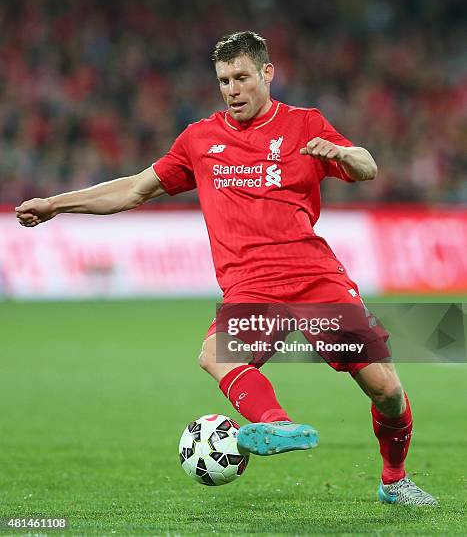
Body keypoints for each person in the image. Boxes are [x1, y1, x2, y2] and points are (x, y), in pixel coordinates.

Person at [16, 31, 437, 506]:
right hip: (251, 287)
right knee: (214, 354)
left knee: (387, 392)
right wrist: (57, 204)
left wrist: (342, 154)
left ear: (266, 74)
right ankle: (275, 424)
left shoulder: (304, 125)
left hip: (317, 279)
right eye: (223, 80)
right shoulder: (200, 140)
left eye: (241, 77)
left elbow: (368, 167)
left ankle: (394, 479)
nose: (232, 89)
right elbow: (134, 188)